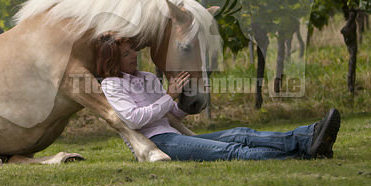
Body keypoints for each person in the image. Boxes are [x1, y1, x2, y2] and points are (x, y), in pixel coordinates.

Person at [96, 34, 340, 161]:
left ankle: (309, 135)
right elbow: (134, 120)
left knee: (241, 133)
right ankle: (304, 153)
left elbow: (171, 114)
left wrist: (181, 99)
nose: (134, 55)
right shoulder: (112, 84)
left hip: (173, 135)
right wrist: (168, 96)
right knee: (232, 150)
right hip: (159, 144)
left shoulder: (147, 76)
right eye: (127, 53)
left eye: (133, 51)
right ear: (113, 60)